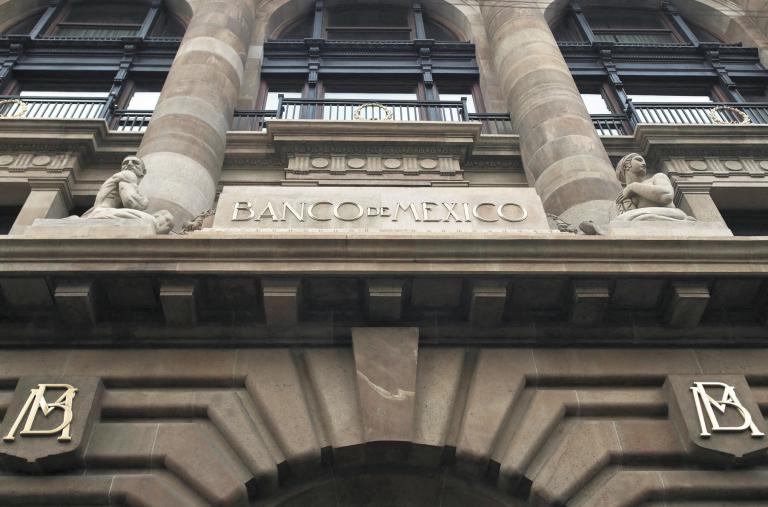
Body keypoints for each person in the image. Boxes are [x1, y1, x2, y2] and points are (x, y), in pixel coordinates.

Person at [79, 156, 174, 234]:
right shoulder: (128, 175)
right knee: (158, 220)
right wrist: (144, 201)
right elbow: (131, 202)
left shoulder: (123, 178)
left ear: (143, 171)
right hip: (102, 213)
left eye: (135, 163)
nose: (129, 164)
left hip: (99, 212)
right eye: (125, 163)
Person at [612, 153, 693, 222]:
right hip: (644, 226)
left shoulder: (657, 177)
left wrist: (633, 187)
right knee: (622, 219)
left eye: (643, 161)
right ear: (627, 165)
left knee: (628, 217)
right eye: (639, 160)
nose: (644, 163)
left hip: (673, 215)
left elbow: (666, 196)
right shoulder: (623, 198)